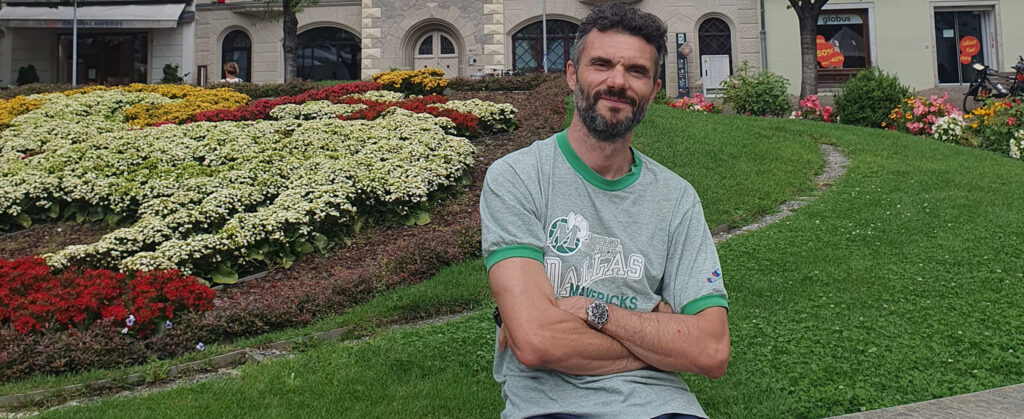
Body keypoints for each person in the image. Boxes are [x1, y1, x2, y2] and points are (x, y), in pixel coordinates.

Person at [480, 4, 730, 418]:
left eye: (636, 71)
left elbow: (711, 350)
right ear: (572, 74)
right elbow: (536, 341)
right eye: (601, 64)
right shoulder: (518, 177)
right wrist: (661, 338)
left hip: (665, 407)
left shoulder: (677, 198)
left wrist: (588, 311)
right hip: (550, 409)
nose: (617, 81)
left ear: (654, 89)